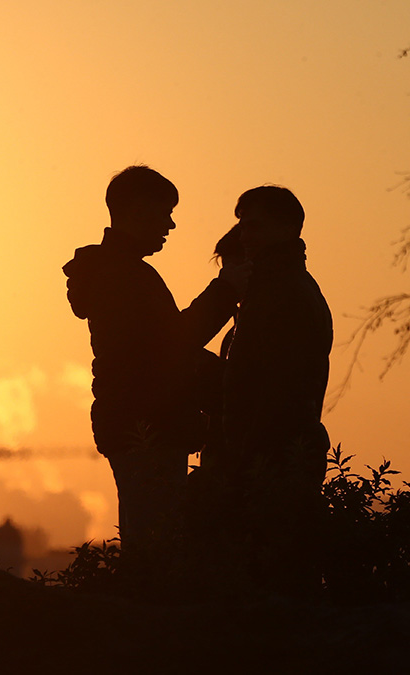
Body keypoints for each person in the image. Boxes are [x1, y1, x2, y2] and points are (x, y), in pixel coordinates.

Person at [62, 166, 249, 592]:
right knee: (155, 551)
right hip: (148, 426)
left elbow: (156, 347)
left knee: (151, 541)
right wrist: (226, 289)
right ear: (138, 210)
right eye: (165, 212)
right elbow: (172, 344)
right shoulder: (124, 275)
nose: (171, 224)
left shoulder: (117, 271)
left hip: (138, 422)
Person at [222, 185, 332, 597]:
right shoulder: (273, 289)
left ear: (289, 228)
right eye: (242, 224)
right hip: (271, 453)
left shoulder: (285, 293)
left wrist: (243, 458)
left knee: (270, 583)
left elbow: (277, 389)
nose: (245, 234)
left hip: (274, 456)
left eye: (255, 225)